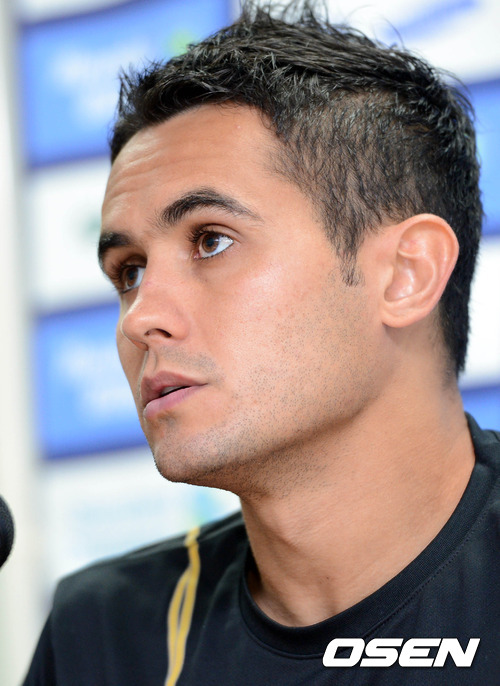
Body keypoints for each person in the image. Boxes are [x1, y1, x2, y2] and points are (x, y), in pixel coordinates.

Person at [24, 2, 500, 684]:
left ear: (406, 274)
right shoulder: (102, 636)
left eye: (211, 241)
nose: (139, 319)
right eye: (130, 272)